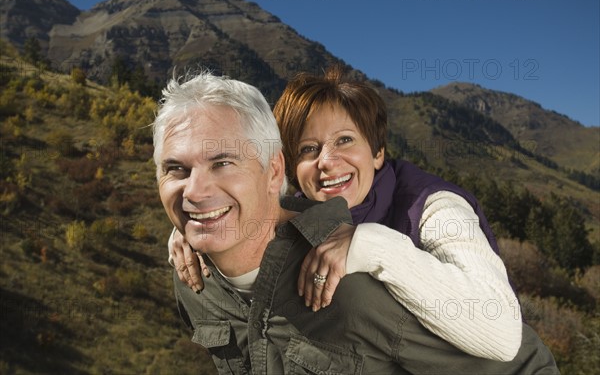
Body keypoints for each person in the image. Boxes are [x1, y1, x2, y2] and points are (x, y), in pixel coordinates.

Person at [155, 70, 558, 374]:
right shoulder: (302, 210)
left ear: (378, 152)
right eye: (308, 149)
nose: (327, 162)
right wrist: (195, 226)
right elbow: (245, 203)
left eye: (345, 141)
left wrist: (371, 244)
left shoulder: (435, 209)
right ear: (287, 168)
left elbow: (503, 335)